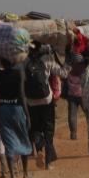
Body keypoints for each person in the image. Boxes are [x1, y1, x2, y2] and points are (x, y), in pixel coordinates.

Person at [25, 42, 68, 170]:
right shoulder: (47, 60)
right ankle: (49, 162)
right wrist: (68, 60)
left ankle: (39, 150)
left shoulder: (24, 62)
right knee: (48, 129)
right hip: (46, 99)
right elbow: (63, 74)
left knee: (36, 128)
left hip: (31, 101)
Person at [0, 56, 33, 178]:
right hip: (17, 109)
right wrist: (27, 115)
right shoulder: (19, 73)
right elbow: (22, 95)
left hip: (3, 109)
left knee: (8, 143)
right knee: (23, 138)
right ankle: (26, 174)